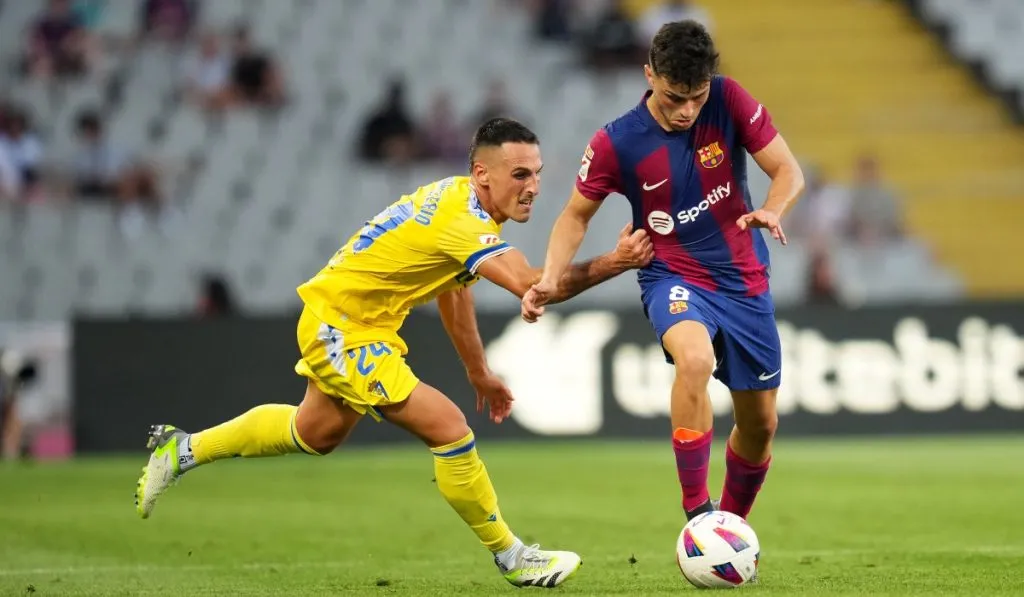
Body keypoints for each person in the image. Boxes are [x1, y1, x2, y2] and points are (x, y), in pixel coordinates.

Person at [134, 118, 654, 588]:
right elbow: (533, 284)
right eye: (520, 174)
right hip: (343, 327)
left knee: (313, 433)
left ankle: (181, 450)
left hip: (351, 321)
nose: (534, 186)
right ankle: (513, 557)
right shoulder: (462, 219)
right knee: (449, 428)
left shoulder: (463, 206)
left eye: (537, 173)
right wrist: (616, 261)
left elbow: (454, 292)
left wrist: (479, 371)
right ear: (482, 174)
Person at [522, 21, 804, 524]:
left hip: (744, 281)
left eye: (697, 96)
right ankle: (697, 513)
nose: (688, 110)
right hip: (673, 275)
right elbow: (574, 216)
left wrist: (773, 208)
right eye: (675, 97)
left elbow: (787, 169)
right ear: (649, 75)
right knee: (693, 361)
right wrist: (550, 277)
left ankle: (728, 529)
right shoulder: (617, 141)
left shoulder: (728, 98)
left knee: (761, 426)